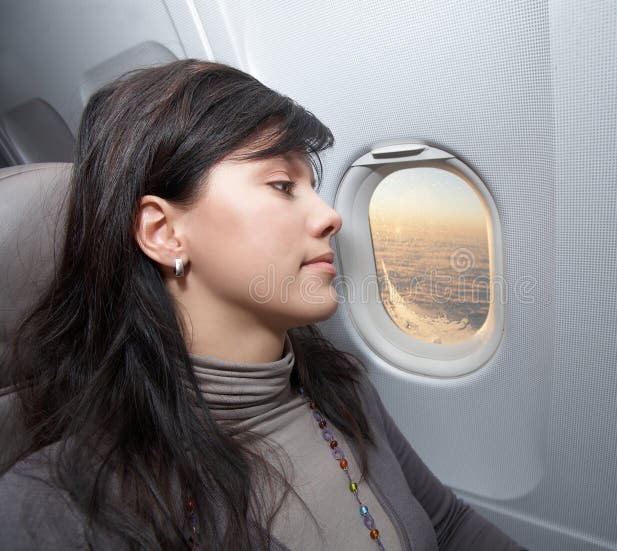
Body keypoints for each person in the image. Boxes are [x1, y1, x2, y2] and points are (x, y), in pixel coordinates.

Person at [0, 60, 525, 550]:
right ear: (164, 233)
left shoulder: (344, 390)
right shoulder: (54, 504)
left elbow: (450, 525)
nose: (330, 217)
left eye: (313, 187)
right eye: (282, 185)